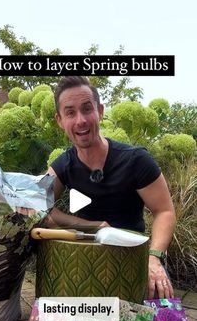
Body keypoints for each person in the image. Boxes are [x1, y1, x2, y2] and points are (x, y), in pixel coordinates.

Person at [45, 76, 176, 300]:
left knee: (155, 316)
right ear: (59, 120)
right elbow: (40, 209)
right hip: (84, 256)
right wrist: (91, 225)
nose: (81, 120)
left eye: (87, 109)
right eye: (70, 112)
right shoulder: (63, 165)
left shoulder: (136, 160)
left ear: (100, 111)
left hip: (133, 255)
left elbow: (164, 211)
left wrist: (153, 258)